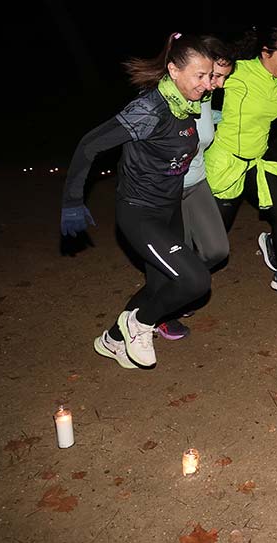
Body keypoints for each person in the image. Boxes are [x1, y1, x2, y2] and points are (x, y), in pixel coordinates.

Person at [60, 33, 213, 369]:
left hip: (169, 209)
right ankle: (138, 324)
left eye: (209, 76)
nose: (208, 84)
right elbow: (90, 145)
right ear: (173, 71)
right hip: (139, 212)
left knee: (158, 286)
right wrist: (73, 200)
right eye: (200, 76)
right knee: (195, 280)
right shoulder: (150, 109)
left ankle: (112, 340)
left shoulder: (187, 104)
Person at [204, 27, 277, 296]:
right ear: (265, 53)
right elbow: (203, 79)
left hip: (255, 163)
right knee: (214, 239)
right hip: (226, 164)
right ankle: (182, 285)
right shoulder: (238, 71)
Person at [155, 36, 236, 340]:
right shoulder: (170, 98)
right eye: (214, 75)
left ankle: (181, 284)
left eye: (223, 77)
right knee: (179, 252)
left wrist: (220, 117)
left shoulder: (206, 94)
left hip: (197, 182)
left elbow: (203, 128)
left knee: (217, 250)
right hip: (170, 188)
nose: (218, 84)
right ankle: (161, 308)